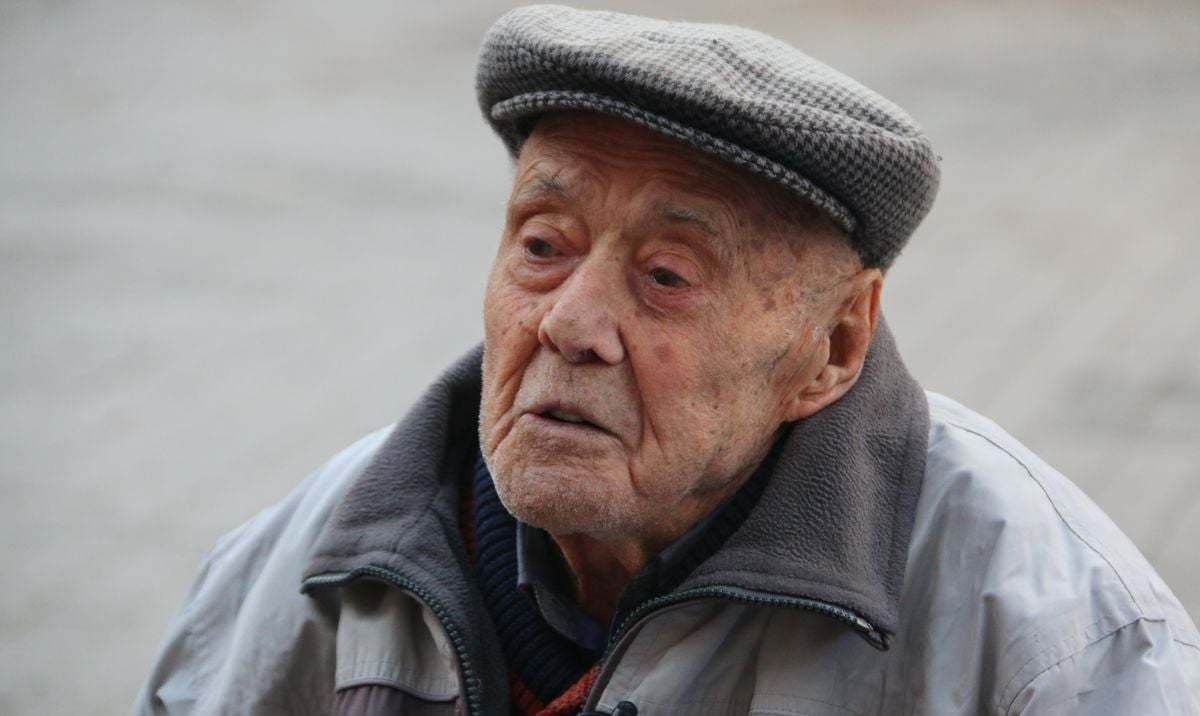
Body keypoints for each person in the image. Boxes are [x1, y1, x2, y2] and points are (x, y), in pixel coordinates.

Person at [134, 6, 1200, 715]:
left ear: (832, 347)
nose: (569, 324)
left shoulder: (1057, 639)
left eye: (668, 275)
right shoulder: (315, 567)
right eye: (543, 245)